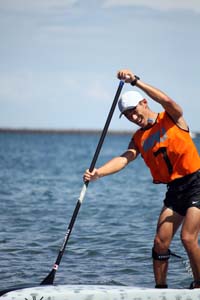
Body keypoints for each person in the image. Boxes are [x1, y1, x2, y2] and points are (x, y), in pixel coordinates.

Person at [83, 69, 200, 289]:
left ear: (144, 103)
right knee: (160, 242)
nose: (133, 118)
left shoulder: (171, 117)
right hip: (175, 190)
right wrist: (99, 173)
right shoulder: (139, 138)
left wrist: (136, 82)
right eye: (128, 116)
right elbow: (124, 159)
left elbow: (165, 99)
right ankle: (161, 289)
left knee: (187, 238)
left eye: (134, 111)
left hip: (197, 182)